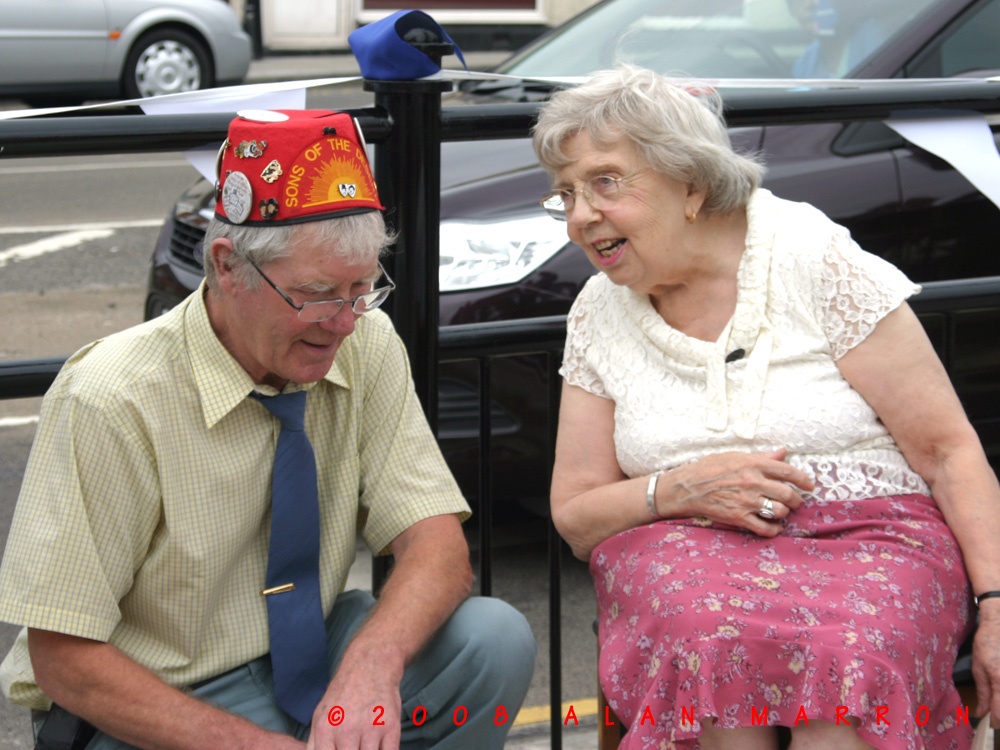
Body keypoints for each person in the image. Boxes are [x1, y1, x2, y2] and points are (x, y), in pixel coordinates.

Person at [0, 109, 535, 750]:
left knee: (492, 639)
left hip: (312, 654)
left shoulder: (367, 340)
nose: (343, 322)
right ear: (227, 266)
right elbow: (63, 659)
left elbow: (436, 545)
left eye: (362, 287)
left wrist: (373, 666)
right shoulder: (111, 397)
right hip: (162, 692)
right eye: (316, 293)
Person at [536, 65, 1000, 749]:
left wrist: (996, 607)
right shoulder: (598, 311)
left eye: (605, 182)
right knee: (709, 644)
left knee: (849, 664)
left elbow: (947, 449)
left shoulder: (810, 253)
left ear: (691, 184)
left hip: (872, 534)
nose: (580, 217)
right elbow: (576, 513)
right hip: (689, 545)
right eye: (566, 194)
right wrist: (678, 489)